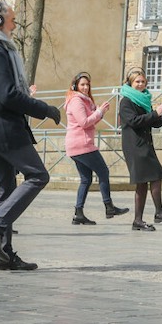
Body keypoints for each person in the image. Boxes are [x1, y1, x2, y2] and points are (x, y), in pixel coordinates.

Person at [0, 0, 61, 272]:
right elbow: (8, 95)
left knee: (5, 190)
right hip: (3, 130)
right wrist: (44, 109)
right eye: (12, 18)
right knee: (38, 175)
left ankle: (3, 256)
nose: (15, 22)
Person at [117, 66, 162, 231]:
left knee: (148, 181)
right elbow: (134, 121)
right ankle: (155, 213)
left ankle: (142, 219)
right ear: (130, 83)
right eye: (137, 81)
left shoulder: (143, 100)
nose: (140, 84)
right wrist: (155, 113)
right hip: (134, 146)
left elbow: (152, 122)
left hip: (144, 144)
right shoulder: (126, 101)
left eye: (143, 81)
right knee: (149, 180)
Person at [64, 71, 129, 225]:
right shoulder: (76, 101)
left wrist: (99, 113)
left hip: (78, 144)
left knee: (86, 179)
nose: (86, 87)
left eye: (87, 84)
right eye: (82, 85)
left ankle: (78, 213)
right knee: (103, 171)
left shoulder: (83, 101)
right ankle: (109, 207)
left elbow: (90, 123)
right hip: (82, 145)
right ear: (75, 86)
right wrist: (99, 112)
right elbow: (84, 122)